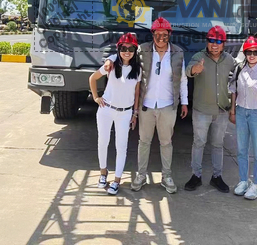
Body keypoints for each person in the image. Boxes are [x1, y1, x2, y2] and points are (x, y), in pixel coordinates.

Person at [104, 17, 188, 194]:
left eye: (164, 34)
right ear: (153, 34)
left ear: (169, 35)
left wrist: (185, 102)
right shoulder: (143, 50)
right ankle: (141, 175)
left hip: (168, 105)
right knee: (144, 142)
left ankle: (166, 176)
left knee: (166, 142)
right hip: (146, 106)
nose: (161, 38)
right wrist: (110, 59)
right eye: (157, 34)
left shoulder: (178, 53)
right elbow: (125, 54)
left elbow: (182, 80)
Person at [184, 26, 236, 193]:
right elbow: (188, 71)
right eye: (212, 41)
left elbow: (239, 75)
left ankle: (217, 176)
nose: (215, 45)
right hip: (202, 110)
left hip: (221, 111)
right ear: (207, 42)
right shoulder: (198, 57)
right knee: (199, 143)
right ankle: (196, 175)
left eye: (218, 41)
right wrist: (195, 69)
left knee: (217, 144)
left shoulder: (229, 60)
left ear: (223, 44)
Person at [89, 33, 141, 195]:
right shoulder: (111, 66)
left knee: (121, 147)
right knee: (103, 142)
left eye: (131, 49)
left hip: (125, 113)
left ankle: (117, 180)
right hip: (106, 110)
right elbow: (92, 78)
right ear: (118, 49)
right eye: (124, 48)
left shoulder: (138, 70)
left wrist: (135, 113)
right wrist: (96, 97)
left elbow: (137, 93)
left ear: (135, 50)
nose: (127, 52)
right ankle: (103, 173)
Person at [228, 36, 257, 200]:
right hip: (241, 112)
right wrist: (233, 111)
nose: (252, 55)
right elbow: (234, 90)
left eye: (256, 52)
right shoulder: (240, 69)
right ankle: (243, 180)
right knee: (241, 149)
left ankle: (256, 184)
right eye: (249, 52)